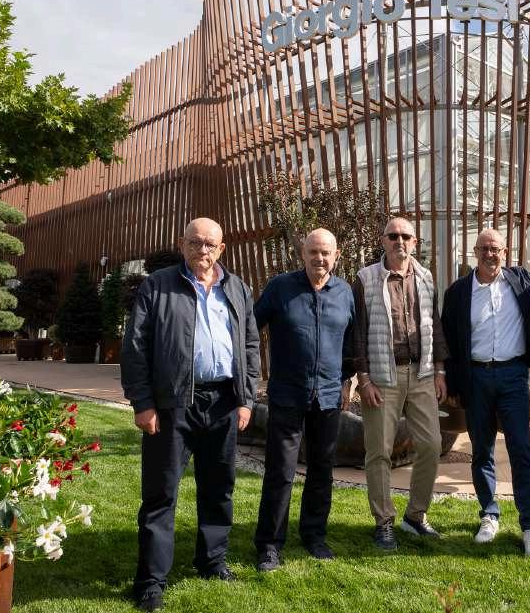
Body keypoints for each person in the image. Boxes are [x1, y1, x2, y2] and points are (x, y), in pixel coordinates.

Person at [121, 218, 260, 611]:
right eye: (196, 243)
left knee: (219, 487)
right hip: (173, 404)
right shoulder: (157, 285)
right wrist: (143, 403)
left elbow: (250, 345)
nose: (203, 250)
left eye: (210, 244)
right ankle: (151, 582)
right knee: (161, 492)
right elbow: (135, 347)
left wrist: (246, 399)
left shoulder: (237, 288)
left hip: (223, 402)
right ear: (182, 244)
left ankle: (212, 561)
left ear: (222, 248)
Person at [440, 229, 530, 557]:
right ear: (475, 252)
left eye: (496, 249)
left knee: (521, 450)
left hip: (514, 376)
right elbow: (448, 340)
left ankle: (529, 526)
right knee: (482, 450)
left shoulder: (523, 282)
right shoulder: (458, 291)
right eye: (484, 249)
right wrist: (453, 383)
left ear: (505, 252)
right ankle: (489, 515)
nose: (490, 254)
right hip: (476, 378)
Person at [252, 228, 355, 571]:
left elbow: (352, 341)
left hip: (328, 397)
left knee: (322, 470)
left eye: (325, 253)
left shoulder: (345, 293)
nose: (319, 258)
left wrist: (347, 379)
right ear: (303, 254)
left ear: (336, 256)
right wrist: (253, 373)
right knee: (280, 472)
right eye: (313, 252)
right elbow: (250, 330)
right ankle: (269, 545)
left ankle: (314, 535)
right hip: (287, 395)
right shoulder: (280, 288)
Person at [351, 216, 449, 550]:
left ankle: (415, 516)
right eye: (393, 236)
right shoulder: (366, 278)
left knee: (431, 445)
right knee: (379, 451)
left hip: (421, 374)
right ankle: (384, 522)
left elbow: (434, 324)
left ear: (414, 242)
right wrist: (364, 379)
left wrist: (440, 371)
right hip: (382, 377)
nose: (399, 241)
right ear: (383, 241)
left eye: (405, 236)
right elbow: (357, 332)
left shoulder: (425, 276)